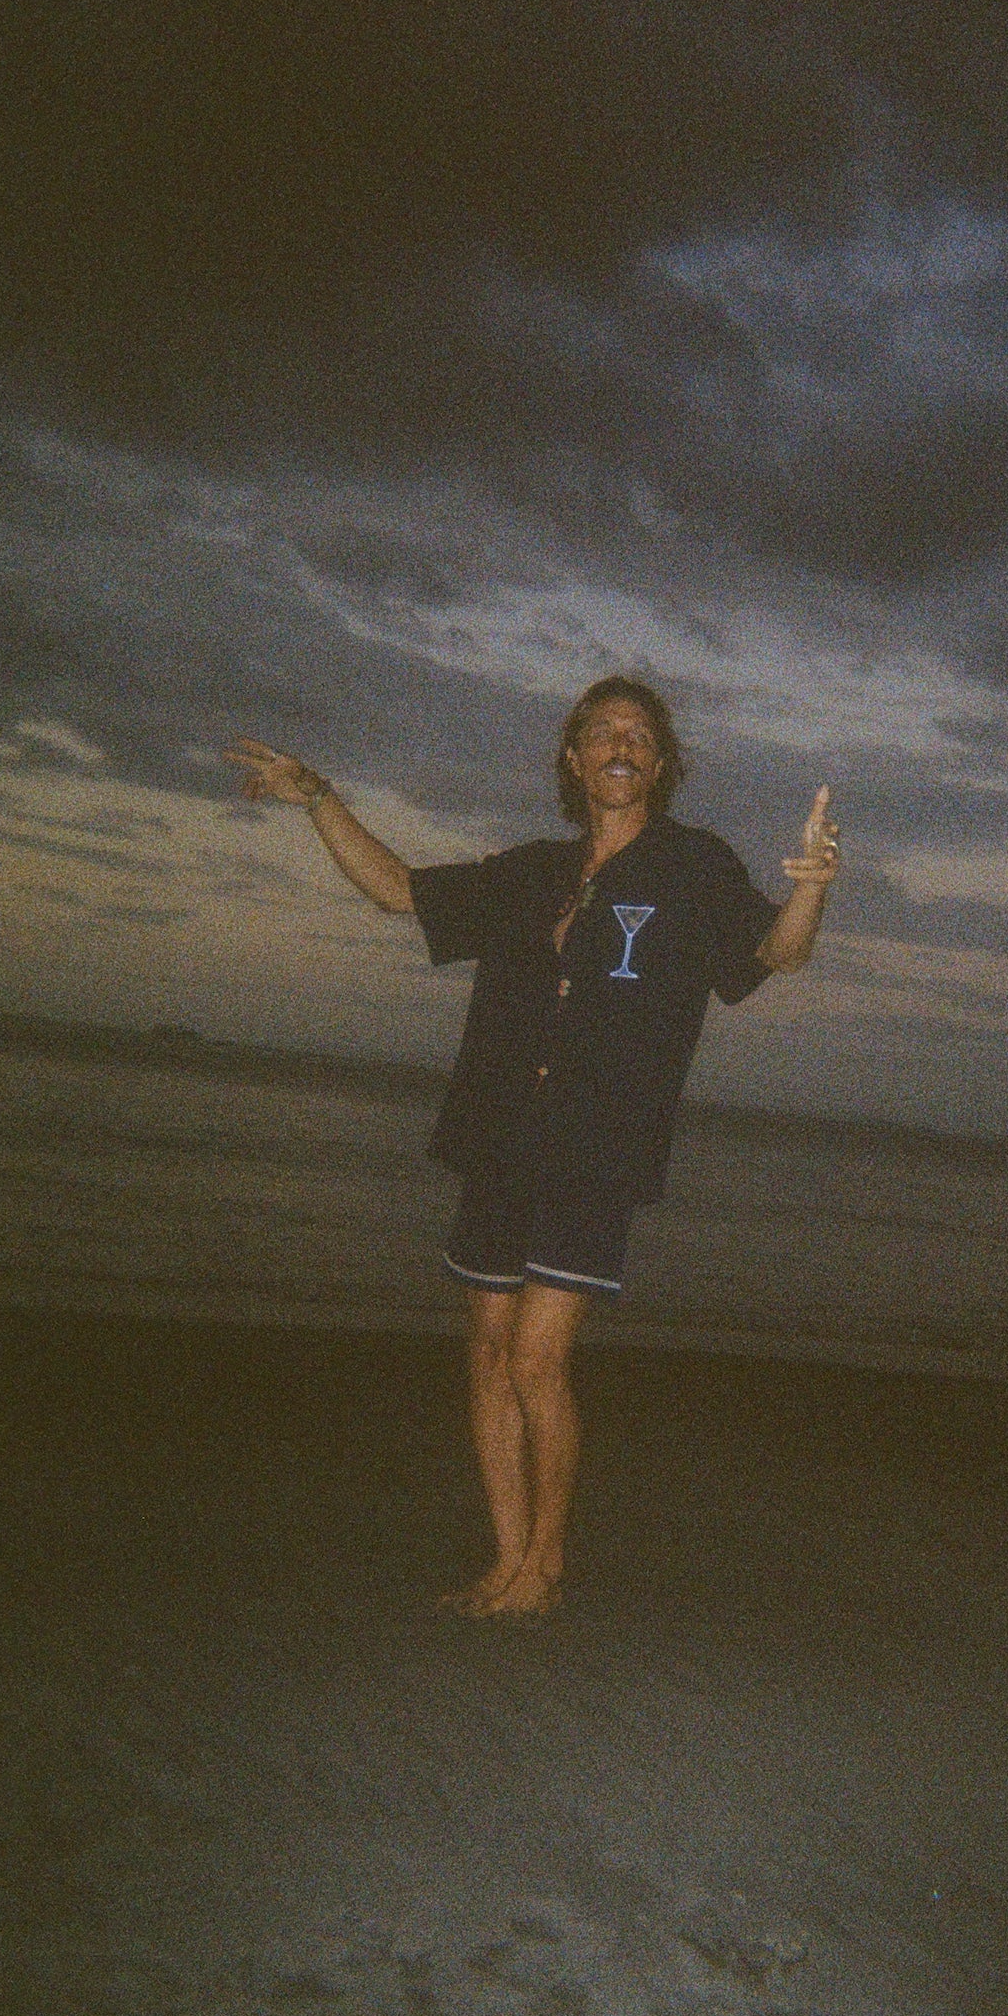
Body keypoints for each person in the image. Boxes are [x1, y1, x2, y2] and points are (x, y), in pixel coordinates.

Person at [226, 677, 838, 1614]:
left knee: (539, 1362)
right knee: (487, 1351)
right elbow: (398, 891)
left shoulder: (694, 866)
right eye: (601, 732)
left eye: (639, 733)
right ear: (573, 759)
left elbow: (773, 955)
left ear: (663, 764)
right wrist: (318, 798)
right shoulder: (530, 873)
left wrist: (812, 892)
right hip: (496, 1135)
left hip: (598, 1147)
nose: (620, 744)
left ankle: (544, 1566)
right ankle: (507, 1559)